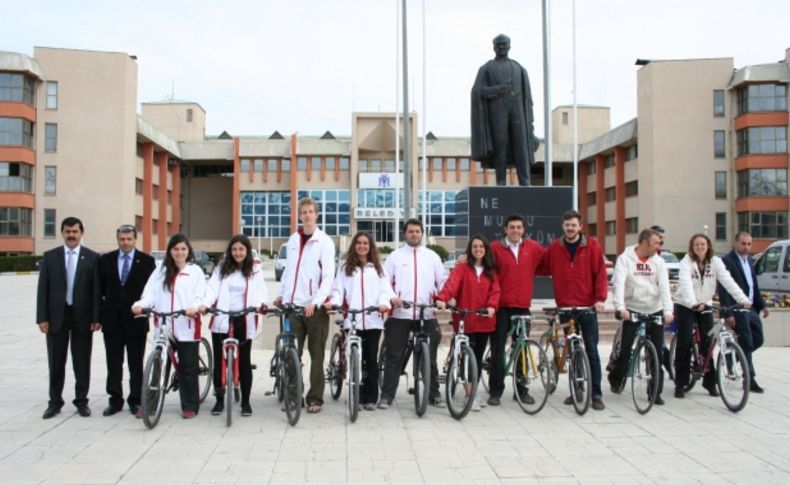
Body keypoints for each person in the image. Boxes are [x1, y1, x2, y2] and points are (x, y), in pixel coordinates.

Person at [538, 210, 608, 411]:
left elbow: (601, 274)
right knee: (572, 350)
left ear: (580, 227)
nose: (570, 228)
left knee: (592, 350)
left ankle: (596, 394)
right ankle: (576, 390)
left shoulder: (592, 246)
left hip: (587, 307)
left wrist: (600, 299)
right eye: (567, 225)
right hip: (566, 307)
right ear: (563, 226)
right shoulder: (554, 248)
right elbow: (540, 266)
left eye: (573, 225)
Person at [132, 234, 206, 419]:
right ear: (170, 251)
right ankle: (149, 403)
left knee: (188, 367)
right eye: (175, 249)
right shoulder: (160, 271)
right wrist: (140, 305)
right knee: (157, 366)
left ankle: (190, 405)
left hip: (186, 324)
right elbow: (150, 293)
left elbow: (201, 295)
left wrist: (195, 308)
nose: (179, 252)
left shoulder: (195, 271)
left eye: (183, 249)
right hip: (163, 323)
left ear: (188, 251)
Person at [273, 197, 336, 414]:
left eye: (311, 211)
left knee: (316, 354)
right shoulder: (292, 240)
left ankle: (315, 398)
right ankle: (293, 397)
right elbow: (289, 272)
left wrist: (315, 302)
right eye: (304, 212)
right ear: (300, 215)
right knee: (291, 354)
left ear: (317, 215)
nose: (307, 215)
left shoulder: (324, 242)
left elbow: (328, 277)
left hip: (314, 311)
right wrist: (282, 295)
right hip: (292, 309)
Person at [36, 217, 101, 419]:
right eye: (67, 231)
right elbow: (43, 290)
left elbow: (96, 291)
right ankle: (54, 402)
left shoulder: (92, 258)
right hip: (57, 317)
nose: (71, 235)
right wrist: (42, 318)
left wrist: (96, 317)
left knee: (82, 361)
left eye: (75, 231)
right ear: (62, 233)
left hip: (82, 317)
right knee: (56, 361)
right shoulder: (51, 257)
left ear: (82, 233)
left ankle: (81, 401)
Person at [379, 218, 447, 409]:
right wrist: (393, 297)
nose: (414, 234)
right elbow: (385, 281)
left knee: (430, 357)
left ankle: (434, 394)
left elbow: (442, 281)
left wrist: (442, 298)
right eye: (410, 231)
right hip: (401, 313)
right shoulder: (395, 256)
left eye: (417, 231)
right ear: (404, 234)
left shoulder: (432, 256)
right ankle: (387, 396)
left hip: (426, 313)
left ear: (422, 233)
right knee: (394, 355)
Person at [674, 233, 751, 398]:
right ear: (692, 247)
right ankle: (680, 383)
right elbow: (686, 285)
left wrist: (743, 299)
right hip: (686, 304)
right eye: (696, 245)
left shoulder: (715, 262)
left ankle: (710, 382)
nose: (700, 247)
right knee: (685, 340)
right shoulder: (686, 262)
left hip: (705, 304)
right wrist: (693, 302)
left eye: (703, 244)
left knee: (708, 343)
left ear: (708, 245)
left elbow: (728, 281)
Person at [324, 232, 394, 411]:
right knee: (356, 358)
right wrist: (334, 302)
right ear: (354, 245)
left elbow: (385, 290)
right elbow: (338, 290)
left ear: (370, 247)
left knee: (371, 359)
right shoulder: (345, 268)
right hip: (352, 319)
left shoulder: (379, 268)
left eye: (365, 243)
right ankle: (357, 395)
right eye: (359, 243)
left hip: (372, 320)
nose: (362, 246)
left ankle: (370, 397)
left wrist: (383, 304)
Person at [203, 234, 268, 417]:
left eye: (241, 249)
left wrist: (262, 304)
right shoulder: (221, 269)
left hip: (244, 317)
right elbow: (212, 289)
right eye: (234, 249)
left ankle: (246, 402)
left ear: (247, 251)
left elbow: (261, 289)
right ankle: (219, 401)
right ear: (230, 251)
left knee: (245, 362)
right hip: (222, 317)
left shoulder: (254, 269)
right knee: (219, 362)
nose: (237, 252)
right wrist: (205, 304)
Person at [608, 228, 674, 405]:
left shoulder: (658, 262)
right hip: (632, 309)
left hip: (654, 309)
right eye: (656, 243)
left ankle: (655, 392)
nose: (659, 246)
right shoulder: (625, 259)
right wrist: (620, 307)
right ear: (645, 243)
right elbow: (619, 285)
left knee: (657, 353)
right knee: (625, 351)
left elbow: (665, 289)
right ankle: (616, 378)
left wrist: (668, 311)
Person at [435, 234, 500, 412]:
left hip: (484, 320)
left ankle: (473, 392)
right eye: (475, 247)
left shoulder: (491, 271)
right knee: (466, 357)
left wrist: (492, 306)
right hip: (465, 319)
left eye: (481, 247)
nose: (478, 249)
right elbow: (451, 285)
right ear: (470, 250)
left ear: (486, 250)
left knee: (477, 359)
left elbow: (495, 292)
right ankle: (470, 395)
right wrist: (442, 298)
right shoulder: (462, 268)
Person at [98, 224, 156, 417]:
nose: (125, 242)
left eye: (129, 239)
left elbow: (152, 291)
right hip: (112, 321)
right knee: (113, 363)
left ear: (135, 239)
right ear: (118, 239)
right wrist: (98, 317)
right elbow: (99, 290)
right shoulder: (106, 260)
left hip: (136, 321)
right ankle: (115, 400)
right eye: (122, 239)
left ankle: (136, 400)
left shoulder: (147, 262)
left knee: (135, 363)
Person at [488, 214, 545, 406]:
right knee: (498, 350)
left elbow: (547, 265)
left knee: (522, 349)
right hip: (501, 308)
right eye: (512, 227)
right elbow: (481, 265)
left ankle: (521, 390)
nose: (515, 231)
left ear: (523, 229)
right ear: (505, 229)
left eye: (519, 227)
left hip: (522, 307)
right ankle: (495, 391)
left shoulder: (533, 248)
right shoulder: (494, 248)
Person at [471, 33, 538, 186]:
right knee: (500, 145)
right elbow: (477, 91)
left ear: (509, 46)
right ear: (493, 47)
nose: (502, 47)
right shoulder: (487, 68)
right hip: (497, 111)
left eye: (504, 44)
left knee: (521, 145)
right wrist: (498, 89)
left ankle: (525, 181)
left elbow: (528, 97)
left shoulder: (519, 69)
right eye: (499, 44)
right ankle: (500, 182)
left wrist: (530, 122)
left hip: (518, 111)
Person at [718, 231, 768, 393]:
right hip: (737, 309)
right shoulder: (727, 261)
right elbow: (724, 288)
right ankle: (750, 378)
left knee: (758, 339)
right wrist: (728, 313)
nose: (746, 247)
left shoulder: (749, 261)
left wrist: (763, 305)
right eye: (743, 243)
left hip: (751, 308)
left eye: (749, 244)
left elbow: (753, 285)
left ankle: (732, 356)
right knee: (746, 341)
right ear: (736, 243)